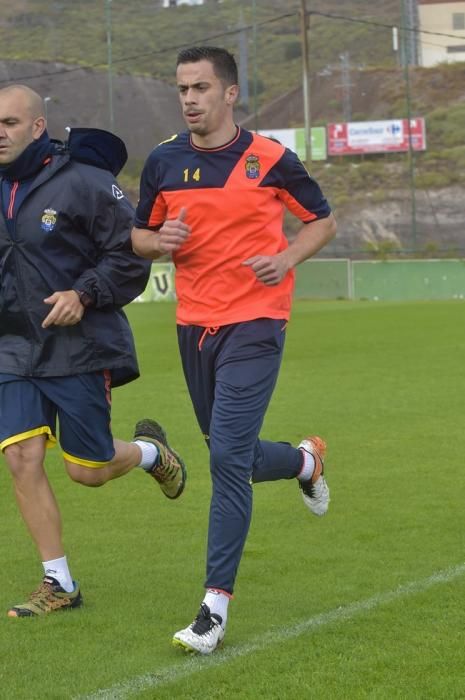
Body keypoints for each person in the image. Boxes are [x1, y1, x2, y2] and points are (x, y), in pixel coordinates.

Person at [132, 46, 337, 655]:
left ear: (229, 93)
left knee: (225, 460)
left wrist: (285, 258)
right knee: (236, 457)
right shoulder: (164, 161)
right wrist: (154, 240)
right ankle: (305, 462)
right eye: (181, 89)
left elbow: (322, 221)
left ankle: (212, 610)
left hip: (256, 322)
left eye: (199, 87)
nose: (189, 98)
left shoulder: (271, 158)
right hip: (194, 326)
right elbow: (141, 234)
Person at [0, 85, 187, 617]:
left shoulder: (85, 181)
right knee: (21, 456)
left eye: (10, 122)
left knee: (88, 468)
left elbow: (131, 254)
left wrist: (83, 294)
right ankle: (58, 582)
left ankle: (151, 453)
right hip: (12, 347)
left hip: (78, 348)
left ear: (38, 127)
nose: (0, 132)